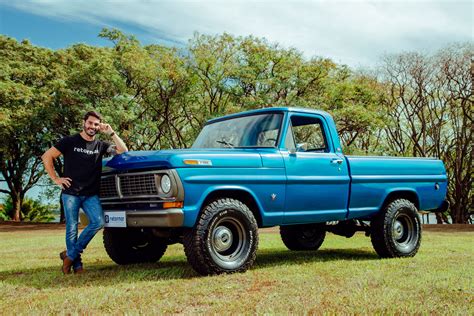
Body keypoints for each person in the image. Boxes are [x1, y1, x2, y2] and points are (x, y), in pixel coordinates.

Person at [42, 111, 128, 274]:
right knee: (72, 227)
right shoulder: (69, 141)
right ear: (84, 122)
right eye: (90, 123)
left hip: (91, 194)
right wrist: (56, 179)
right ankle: (77, 265)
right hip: (70, 193)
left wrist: (111, 132)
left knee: (98, 222)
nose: (92, 127)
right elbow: (47, 156)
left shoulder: (101, 145)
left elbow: (123, 151)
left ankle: (70, 255)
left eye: (96, 124)